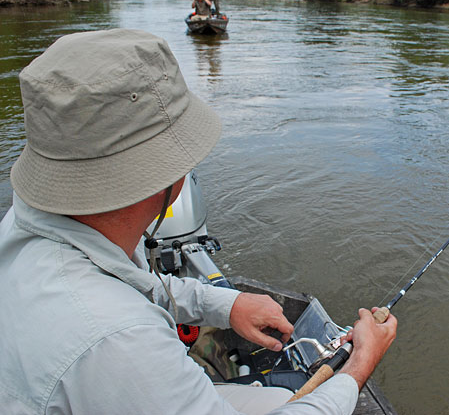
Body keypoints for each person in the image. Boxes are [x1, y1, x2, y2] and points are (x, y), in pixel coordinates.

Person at [0, 29, 397, 414]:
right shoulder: (120, 339)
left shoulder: (30, 217)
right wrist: (358, 365)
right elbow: (117, 333)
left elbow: (140, 286)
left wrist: (228, 305)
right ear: (165, 177)